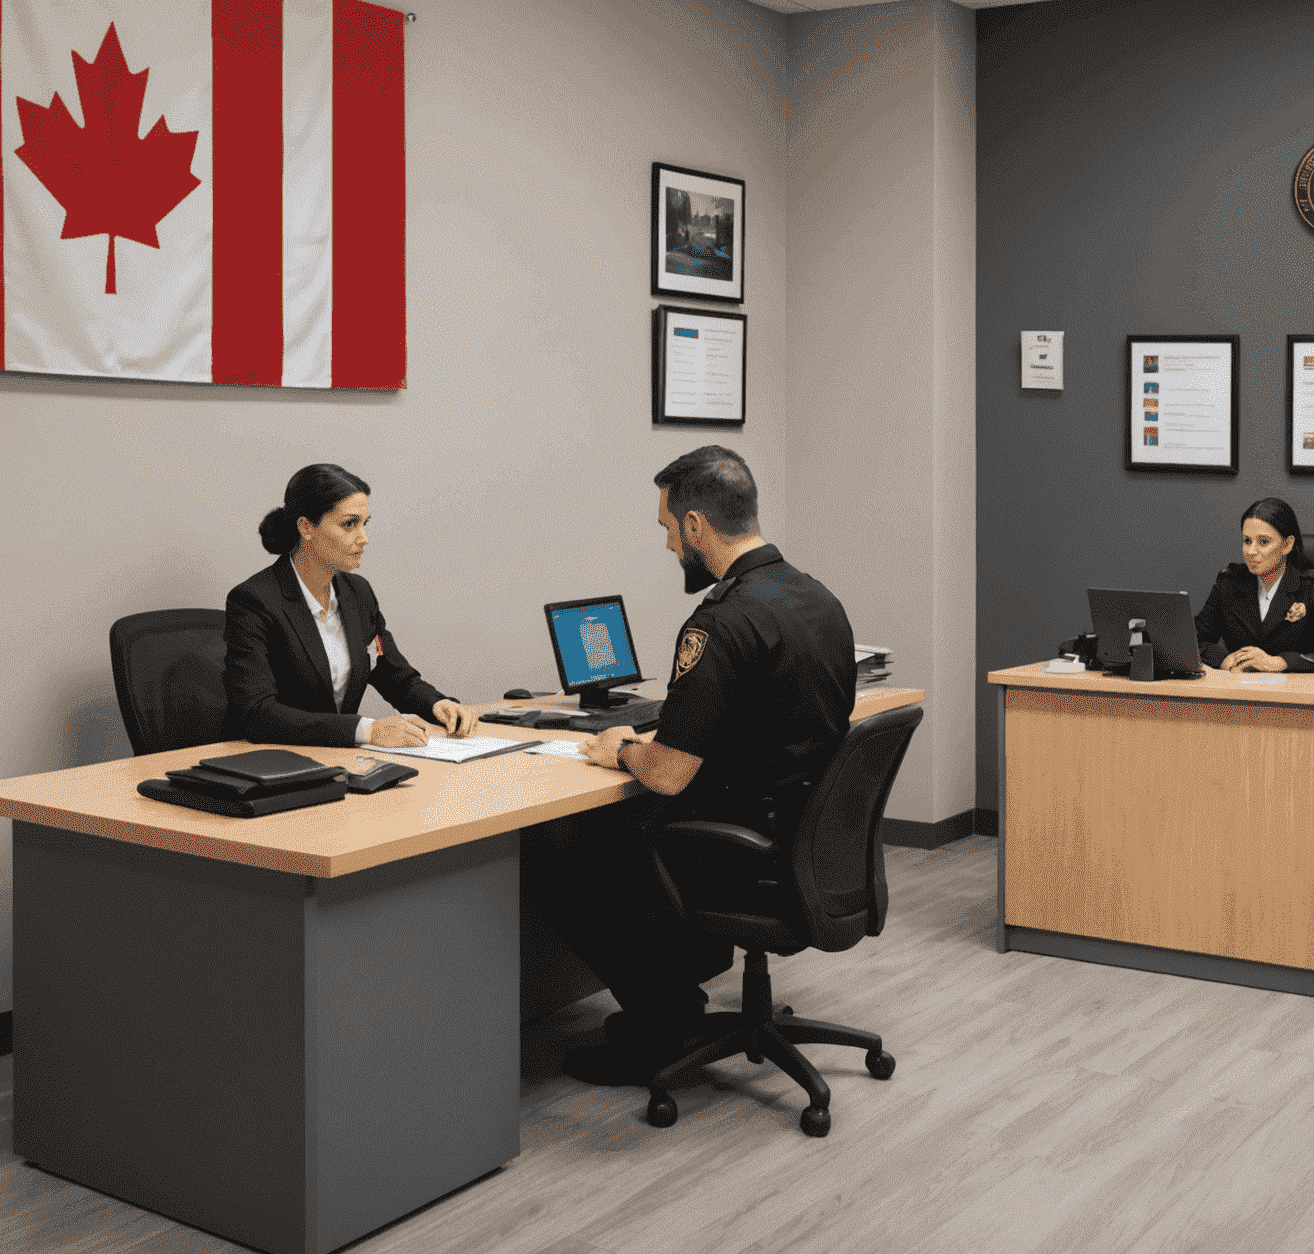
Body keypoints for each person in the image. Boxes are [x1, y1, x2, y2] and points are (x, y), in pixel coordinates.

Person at [544, 445, 857, 1086]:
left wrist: (621, 748)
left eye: (667, 529)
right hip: (802, 838)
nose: (667, 547)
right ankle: (676, 1000)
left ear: (695, 525)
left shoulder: (722, 621)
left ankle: (661, 1025)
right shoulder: (817, 599)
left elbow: (667, 774)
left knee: (574, 862)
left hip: (745, 849)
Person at [223, 463, 482, 749]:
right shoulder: (254, 601)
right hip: (275, 763)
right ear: (306, 527)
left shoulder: (357, 593)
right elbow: (258, 714)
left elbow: (393, 674)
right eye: (349, 523)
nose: (364, 538)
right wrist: (367, 730)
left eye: (365, 523)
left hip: (340, 762)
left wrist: (437, 704)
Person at [1194, 497, 1314, 674]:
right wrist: (1225, 659)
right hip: (1240, 690)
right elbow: (1192, 640)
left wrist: (1281, 662)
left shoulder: (1313, 587)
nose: (1251, 551)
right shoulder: (1230, 583)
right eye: (1247, 540)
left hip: (1295, 693)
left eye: (1263, 542)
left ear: (1287, 545)